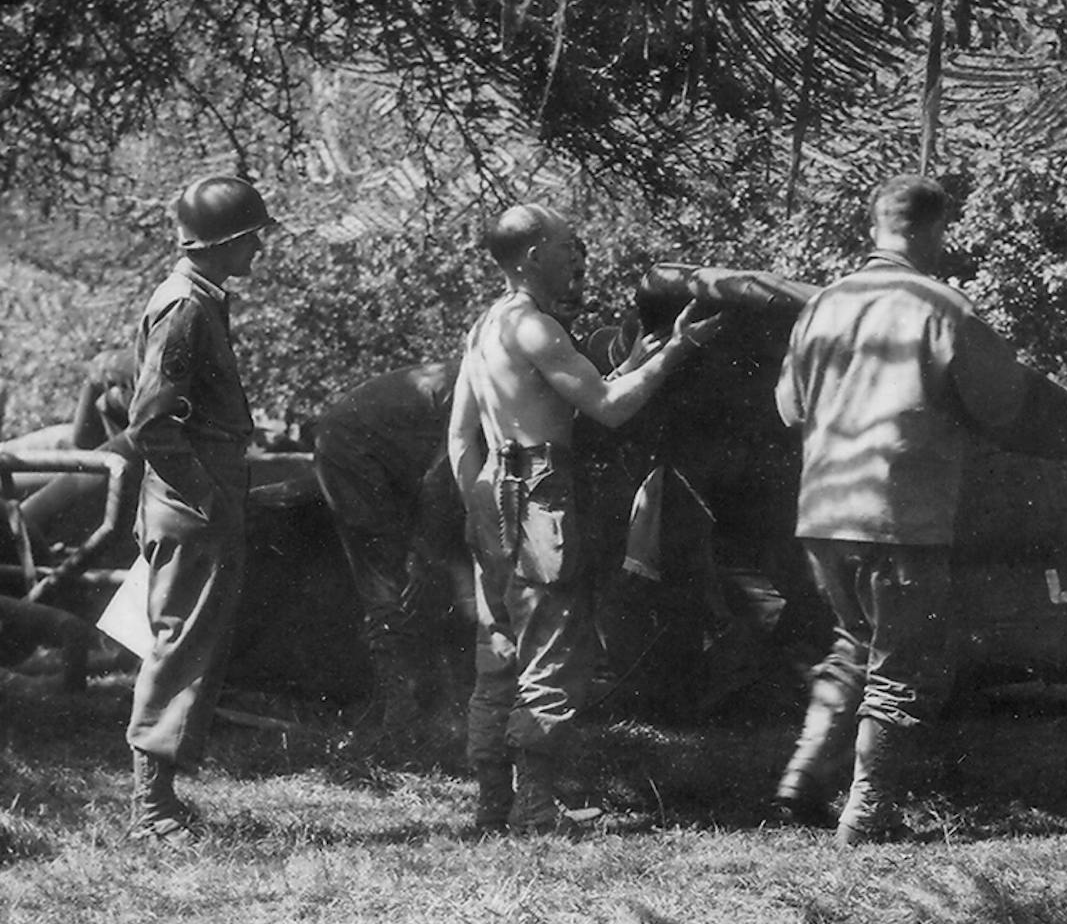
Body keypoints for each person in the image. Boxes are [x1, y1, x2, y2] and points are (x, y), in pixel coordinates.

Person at [773, 173, 1067, 844]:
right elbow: (1002, 408)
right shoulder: (943, 307)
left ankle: (803, 774)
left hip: (821, 513)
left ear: (874, 225)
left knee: (855, 642)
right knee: (906, 661)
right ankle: (870, 812)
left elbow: (789, 407)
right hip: (900, 514)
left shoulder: (819, 306)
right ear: (934, 231)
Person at [447, 203, 724, 834]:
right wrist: (675, 352)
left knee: (498, 653)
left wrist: (480, 510)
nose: (578, 257)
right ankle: (537, 810)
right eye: (568, 246)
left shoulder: (485, 328)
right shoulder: (538, 329)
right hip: (539, 494)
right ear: (531, 255)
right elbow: (609, 409)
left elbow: (463, 436)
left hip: (494, 487)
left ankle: (494, 803)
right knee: (552, 646)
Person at [122, 174, 278, 845]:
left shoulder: (198, 297)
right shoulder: (186, 305)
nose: (258, 251)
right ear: (223, 241)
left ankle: (160, 801)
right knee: (180, 642)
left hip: (196, 487)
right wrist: (205, 495)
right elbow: (151, 423)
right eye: (251, 238)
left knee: (187, 638)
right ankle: (149, 809)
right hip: (192, 492)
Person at [312, 361, 469, 751]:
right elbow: (440, 481)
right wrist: (423, 550)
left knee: (422, 575)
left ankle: (427, 702)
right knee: (385, 578)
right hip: (352, 451)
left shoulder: (489, 373)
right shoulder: (485, 383)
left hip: (390, 458)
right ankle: (399, 719)